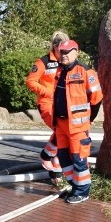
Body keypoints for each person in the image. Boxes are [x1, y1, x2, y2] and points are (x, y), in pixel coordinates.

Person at [48, 39, 103, 204]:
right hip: (61, 124)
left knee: (79, 159)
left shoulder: (86, 71)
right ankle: (74, 186)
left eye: (66, 52)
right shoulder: (59, 71)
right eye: (61, 52)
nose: (63, 55)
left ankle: (82, 191)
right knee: (63, 158)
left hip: (78, 127)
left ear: (75, 52)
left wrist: (90, 120)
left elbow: (97, 99)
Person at [25, 30, 69, 187]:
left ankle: (56, 169)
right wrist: (47, 91)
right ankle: (47, 157)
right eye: (62, 49)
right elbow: (30, 81)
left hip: (64, 102)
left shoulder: (67, 61)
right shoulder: (43, 62)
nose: (65, 53)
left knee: (66, 131)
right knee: (60, 129)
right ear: (55, 47)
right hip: (47, 103)